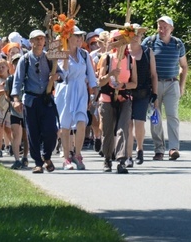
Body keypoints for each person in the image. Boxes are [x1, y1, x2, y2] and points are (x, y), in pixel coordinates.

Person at [11, 29, 62, 174]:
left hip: (47, 100)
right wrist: (16, 99)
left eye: (42, 39)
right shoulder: (24, 59)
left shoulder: (49, 57)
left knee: (51, 131)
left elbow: (62, 74)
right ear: (31, 41)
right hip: (31, 101)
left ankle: (46, 156)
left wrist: (56, 77)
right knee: (32, 133)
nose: (40, 41)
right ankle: (38, 163)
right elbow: (17, 81)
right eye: (36, 39)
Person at [142, 16, 187, 161]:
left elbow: (184, 66)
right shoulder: (150, 42)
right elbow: (140, 60)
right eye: (160, 27)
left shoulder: (178, 44)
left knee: (172, 115)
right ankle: (159, 149)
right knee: (156, 117)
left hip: (171, 83)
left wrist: (181, 86)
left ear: (171, 29)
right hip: (154, 85)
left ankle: (173, 148)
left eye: (165, 27)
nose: (162, 30)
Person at [55, 27, 98, 170]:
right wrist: (65, 59)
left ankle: (78, 154)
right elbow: (64, 75)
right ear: (68, 37)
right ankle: (66, 157)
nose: (79, 39)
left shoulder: (85, 54)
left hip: (80, 90)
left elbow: (91, 75)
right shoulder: (61, 53)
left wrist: (94, 91)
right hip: (66, 90)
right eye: (76, 36)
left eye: (81, 36)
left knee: (81, 122)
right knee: (65, 126)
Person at [97, 30, 138, 173]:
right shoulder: (106, 58)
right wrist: (110, 75)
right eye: (117, 40)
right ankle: (107, 158)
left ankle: (121, 160)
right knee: (108, 130)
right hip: (107, 98)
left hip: (124, 98)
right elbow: (100, 82)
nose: (120, 44)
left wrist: (124, 85)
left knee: (123, 129)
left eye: (122, 41)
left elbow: (135, 83)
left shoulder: (130, 60)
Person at [127, 24, 157, 165]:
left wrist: (155, 93)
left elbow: (153, 75)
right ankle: (128, 154)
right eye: (134, 35)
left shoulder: (147, 52)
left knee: (139, 123)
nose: (136, 37)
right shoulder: (124, 52)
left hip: (143, 93)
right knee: (127, 125)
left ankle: (139, 150)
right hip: (126, 93)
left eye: (139, 35)